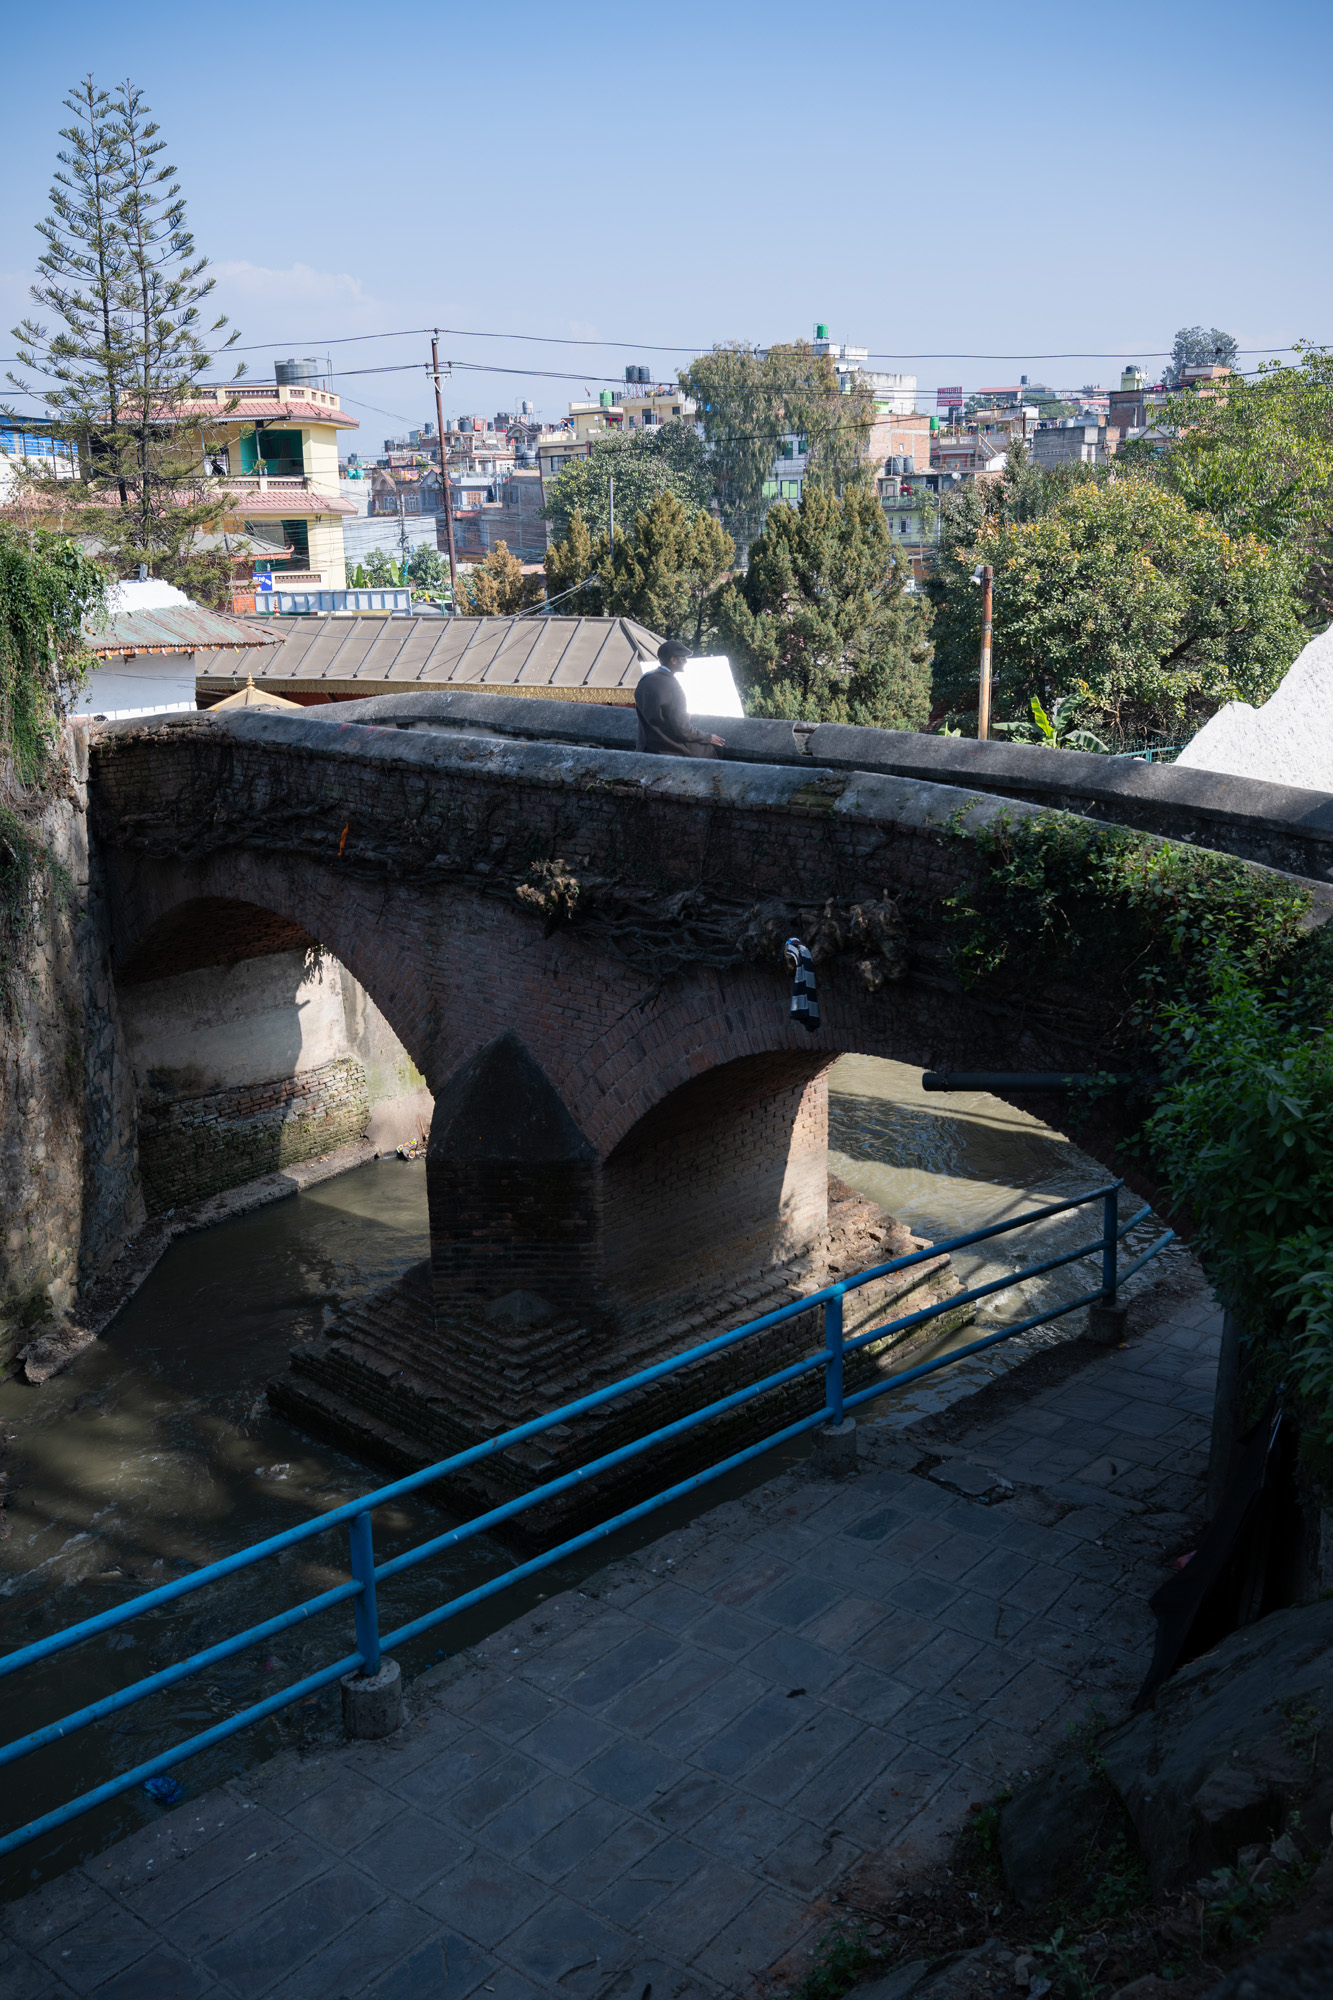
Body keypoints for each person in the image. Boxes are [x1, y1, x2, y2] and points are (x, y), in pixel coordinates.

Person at [634, 641, 726, 758]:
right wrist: (708, 737)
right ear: (673, 660)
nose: (686, 661)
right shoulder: (672, 686)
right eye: (683, 658)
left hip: (646, 746)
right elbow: (683, 730)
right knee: (715, 750)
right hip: (669, 748)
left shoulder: (645, 679)